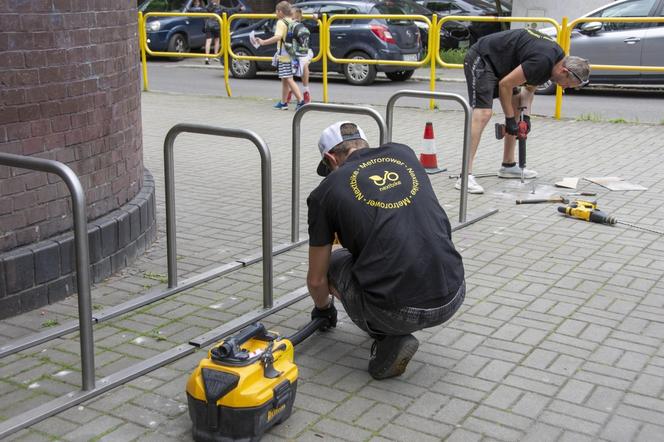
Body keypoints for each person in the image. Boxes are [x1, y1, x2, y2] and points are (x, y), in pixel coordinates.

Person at [306, 121, 466, 380]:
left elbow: (315, 280)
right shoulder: (403, 153)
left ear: (330, 158)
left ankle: (387, 337)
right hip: (454, 291)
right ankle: (390, 320)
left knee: (334, 264)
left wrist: (323, 309)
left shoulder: (326, 191)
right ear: (365, 144)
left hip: (400, 310)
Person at [458, 28, 590, 194]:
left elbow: (528, 90)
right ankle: (465, 175)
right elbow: (505, 85)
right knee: (483, 113)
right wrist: (510, 119)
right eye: (568, 84)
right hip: (483, 58)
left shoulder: (553, 62)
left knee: (516, 105)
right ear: (564, 71)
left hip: (502, 64)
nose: (564, 88)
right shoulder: (543, 61)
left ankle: (508, 165)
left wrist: (525, 118)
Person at [256, 1, 305, 110]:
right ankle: (283, 102)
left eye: (276, 11)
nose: (276, 14)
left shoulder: (281, 22)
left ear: (280, 12)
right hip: (291, 53)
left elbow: (277, 37)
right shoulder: (292, 20)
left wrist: (263, 42)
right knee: (284, 79)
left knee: (288, 78)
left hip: (284, 54)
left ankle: (301, 101)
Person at [204, 0, 245, 65]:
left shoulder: (207, 7)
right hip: (216, 26)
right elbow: (230, 10)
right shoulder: (220, 7)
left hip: (208, 25)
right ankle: (216, 56)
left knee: (208, 41)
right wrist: (239, 8)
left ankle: (206, 58)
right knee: (217, 40)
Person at [286, 7, 313, 104]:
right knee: (303, 66)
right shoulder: (304, 24)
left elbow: (288, 41)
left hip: (296, 52)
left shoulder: (291, 25)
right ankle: (303, 92)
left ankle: (293, 92)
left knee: (290, 72)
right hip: (304, 51)